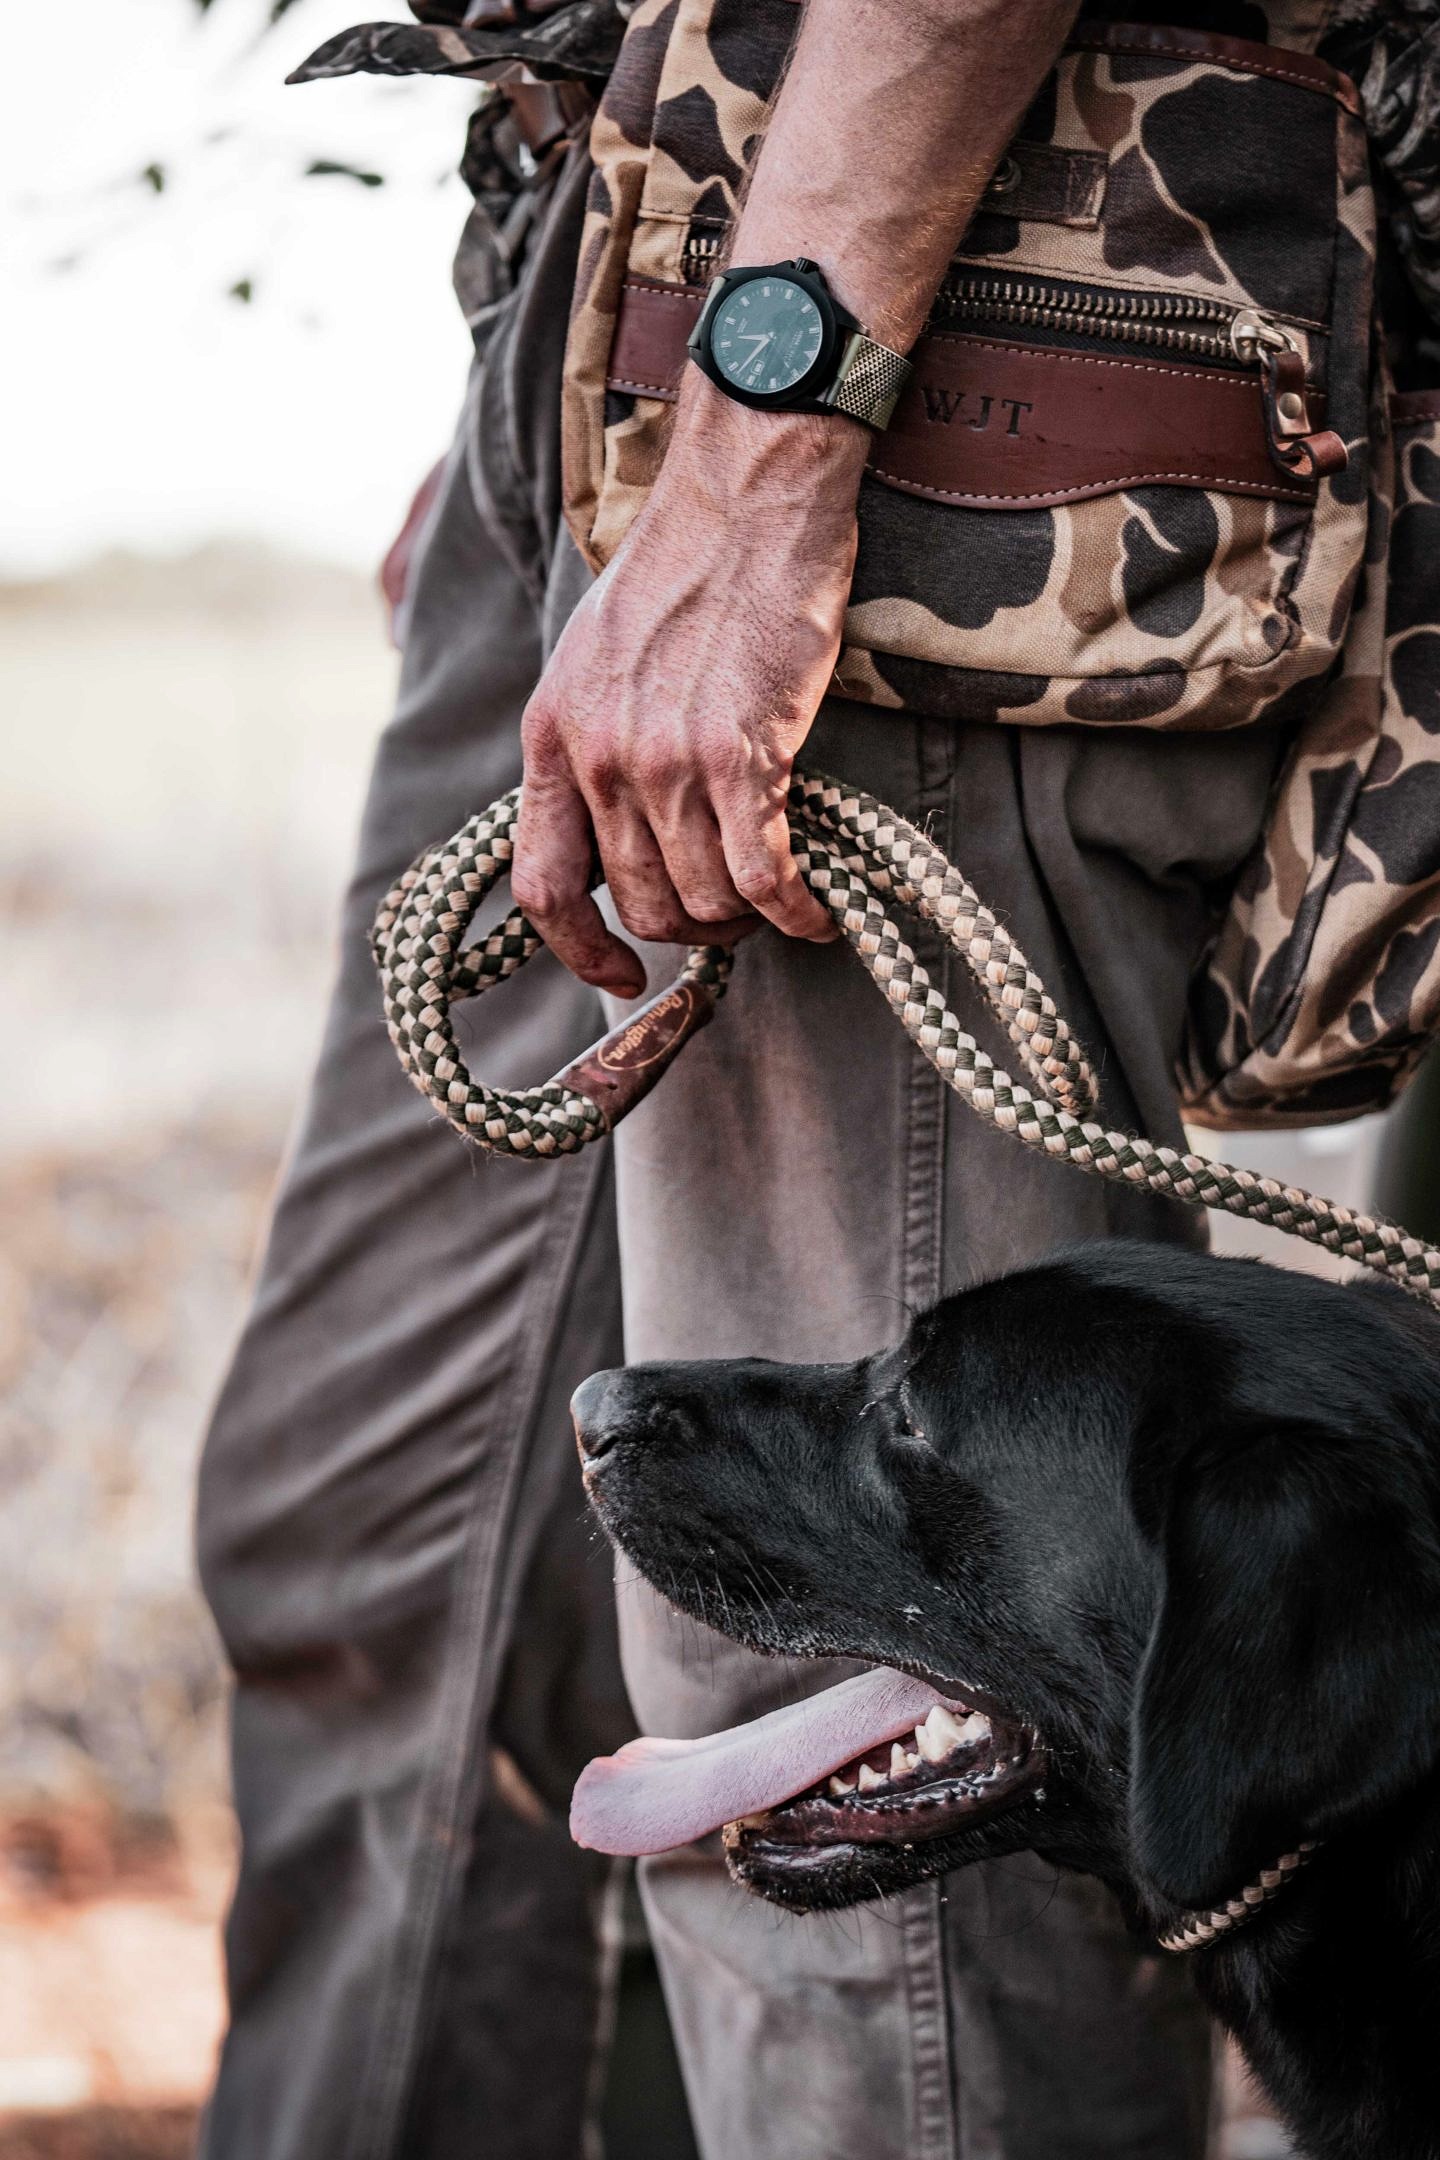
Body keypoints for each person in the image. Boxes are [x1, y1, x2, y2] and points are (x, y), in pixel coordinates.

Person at [194, 0, 1426, 2153]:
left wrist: (767, 441)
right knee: (371, 1568)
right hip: (639, 309)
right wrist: (577, 349)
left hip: (954, 389)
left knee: (919, 1718)